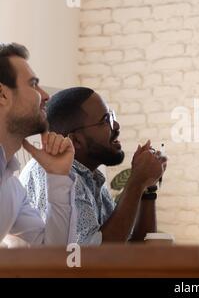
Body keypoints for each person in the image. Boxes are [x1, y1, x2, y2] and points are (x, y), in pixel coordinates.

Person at [20, 87, 167, 244]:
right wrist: (136, 181)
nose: (116, 126)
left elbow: (135, 247)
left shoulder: (90, 176)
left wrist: (147, 187)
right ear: (76, 141)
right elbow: (94, 258)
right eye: (105, 120)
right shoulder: (52, 175)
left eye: (112, 116)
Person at [0, 42, 77, 245]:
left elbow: (55, 256)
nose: (45, 96)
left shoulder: (11, 189)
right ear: (2, 95)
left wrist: (58, 177)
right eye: (33, 84)